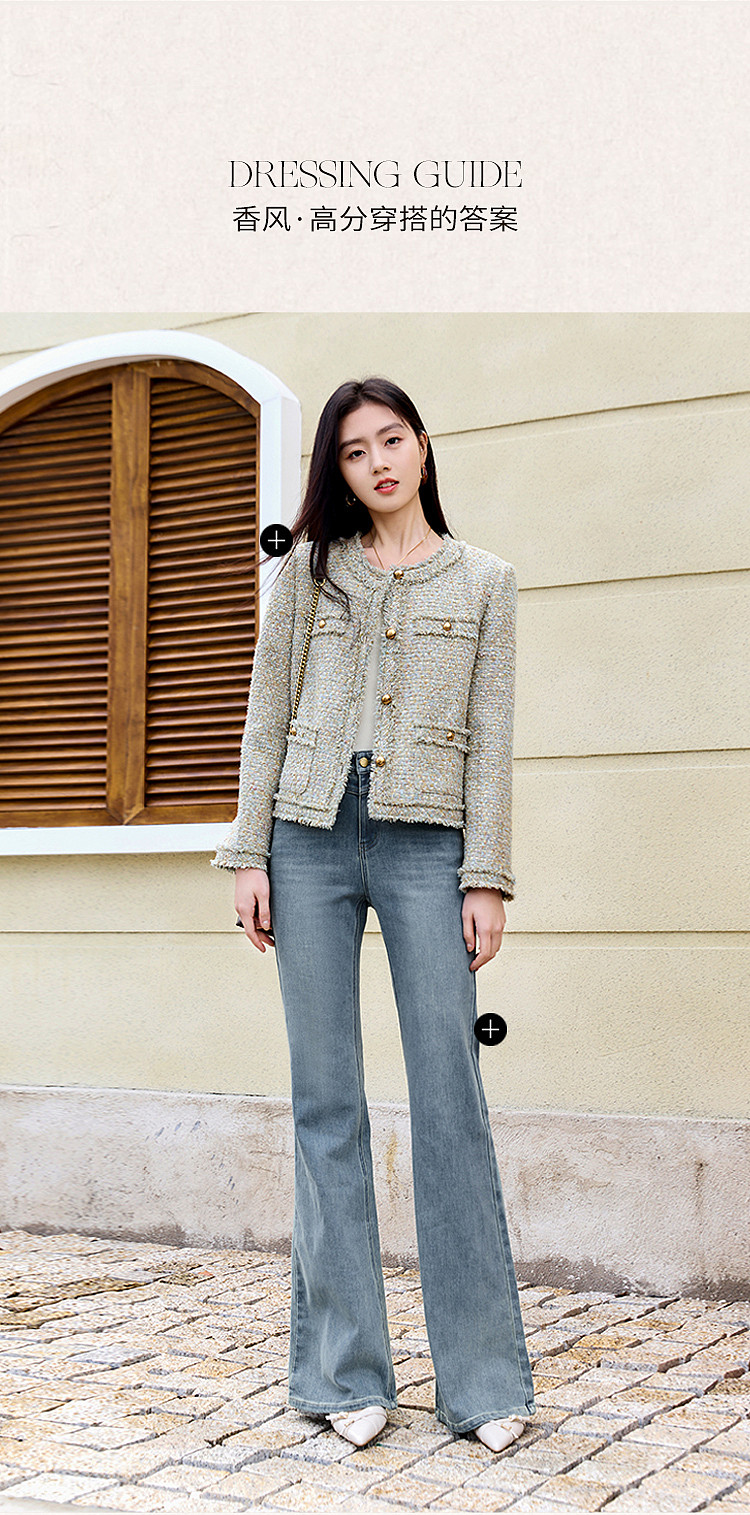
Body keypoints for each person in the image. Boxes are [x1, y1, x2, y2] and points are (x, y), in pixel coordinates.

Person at [211, 376, 536, 1453]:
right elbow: (266, 715)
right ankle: (343, 1373)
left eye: (392, 440)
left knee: (451, 1098)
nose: (378, 462)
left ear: (423, 446)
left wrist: (485, 875)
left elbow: (492, 738)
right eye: (355, 452)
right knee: (326, 1100)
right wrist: (248, 853)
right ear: (339, 472)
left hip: (426, 844)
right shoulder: (310, 573)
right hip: (306, 837)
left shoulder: (485, 582)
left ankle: (484, 1384)